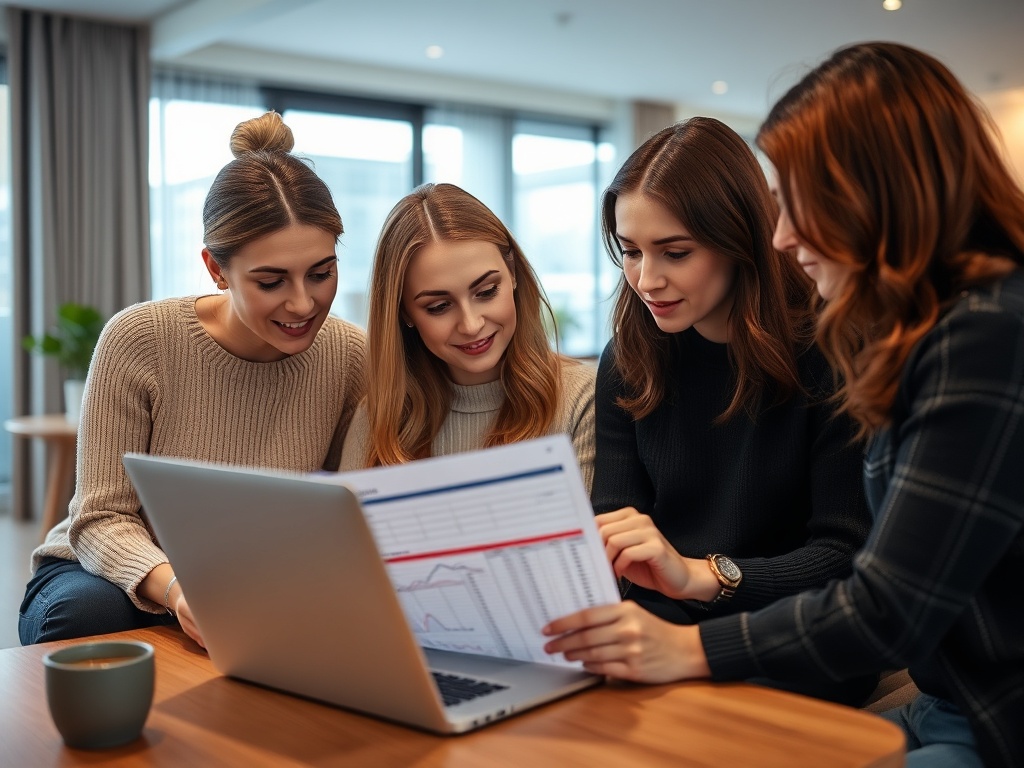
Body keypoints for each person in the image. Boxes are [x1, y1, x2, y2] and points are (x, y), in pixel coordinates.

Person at [544, 43, 1024, 768]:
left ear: (880, 196)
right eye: (630, 251)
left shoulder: (981, 336)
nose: (783, 236)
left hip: (989, 719)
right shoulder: (933, 332)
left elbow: (881, 603)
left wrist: (692, 625)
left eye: (802, 205)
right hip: (941, 704)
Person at [550, 116, 876, 705]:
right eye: (630, 252)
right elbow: (618, 528)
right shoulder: (630, 355)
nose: (647, 280)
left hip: (790, 646)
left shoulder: (830, 355)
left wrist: (702, 574)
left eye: (675, 253)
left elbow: (843, 558)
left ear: (740, 240)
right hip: (657, 635)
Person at [20, 111, 366, 649]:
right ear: (215, 269)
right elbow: (100, 519)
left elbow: (351, 511)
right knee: (85, 615)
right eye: (271, 281)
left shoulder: (350, 356)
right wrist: (180, 589)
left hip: (261, 577)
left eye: (321, 273)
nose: (304, 303)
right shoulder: (139, 339)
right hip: (117, 573)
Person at [339, 182, 595, 490]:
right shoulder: (377, 417)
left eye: (486, 292)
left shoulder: (581, 398)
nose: (471, 325)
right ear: (404, 313)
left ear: (512, 274)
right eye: (439, 306)